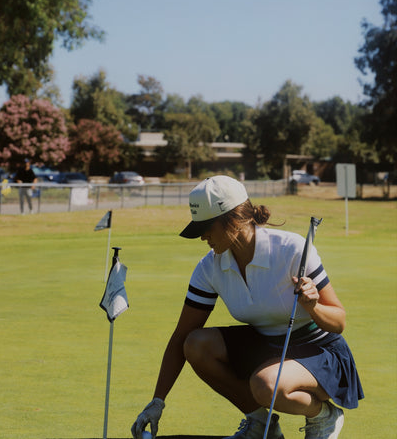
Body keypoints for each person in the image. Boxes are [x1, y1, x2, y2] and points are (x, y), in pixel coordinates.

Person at [131, 175, 363, 439]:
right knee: (196, 344)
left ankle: (324, 417)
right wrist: (157, 401)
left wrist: (313, 307)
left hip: (320, 351)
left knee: (265, 385)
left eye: (207, 227)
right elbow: (182, 336)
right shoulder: (210, 266)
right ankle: (261, 424)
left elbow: (339, 321)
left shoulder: (292, 249)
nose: (203, 237)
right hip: (268, 349)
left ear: (235, 219)